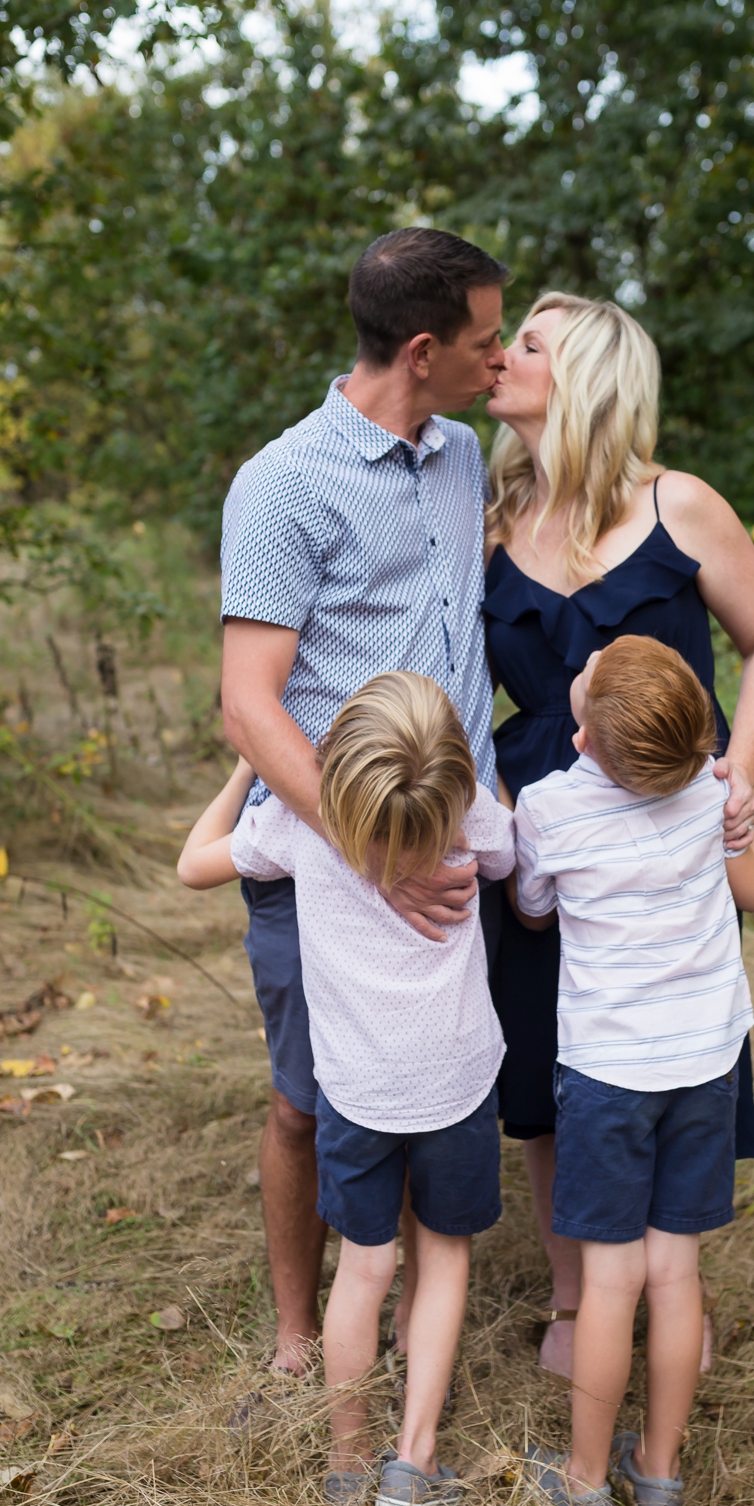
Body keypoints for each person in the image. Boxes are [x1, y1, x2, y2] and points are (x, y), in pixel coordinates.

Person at [483, 293, 754, 1376]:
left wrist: (739, 770)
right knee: (547, 1057)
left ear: (589, 380)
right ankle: (578, 1290)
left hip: (672, 827)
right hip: (547, 827)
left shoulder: (681, 507)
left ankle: (671, 1283)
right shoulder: (491, 518)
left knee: (672, 1049)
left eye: (528, 344)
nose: (501, 355)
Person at [218, 228, 508, 1376]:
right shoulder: (284, 484)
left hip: (453, 842)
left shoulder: (462, 455)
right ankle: (301, 1341)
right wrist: (371, 848)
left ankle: (400, 1311)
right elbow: (250, 705)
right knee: (305, 1098)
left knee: (430, 1086)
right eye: (487, 342)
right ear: (424, 347)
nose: (500, 361)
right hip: (335, 855)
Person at [178, 672, 515, 1506]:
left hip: (357, 1097)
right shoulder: (466, 814)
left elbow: (193, 864)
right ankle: (414, 1461)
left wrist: (247, 765)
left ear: (335, 764)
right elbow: (519, 854)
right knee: (441, 1260)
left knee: (363, 1272)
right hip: (457, 1086)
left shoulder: (299, 821)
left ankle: (346, 1462)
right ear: (453, 771)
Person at [511, 638, 754, 1506]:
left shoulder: (547, 806)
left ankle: (584, 1482)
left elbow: (533, 907)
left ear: (581, 739)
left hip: (610, 1074)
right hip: (705, 1064)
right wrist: (741, 805)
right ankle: (658, 1475)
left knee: (610, 1280)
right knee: (677, 1275)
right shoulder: (711, 790)